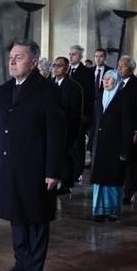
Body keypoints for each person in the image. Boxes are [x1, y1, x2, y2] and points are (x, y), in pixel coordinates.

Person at [0, 39, 65, 271]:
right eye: (11, 57)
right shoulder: (4, 90)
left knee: (36, 219)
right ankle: (20, 265)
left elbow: (56, 134)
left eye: (19, 57)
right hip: (10, 166)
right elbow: (3, 131)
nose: (12, 61)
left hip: (36, 167)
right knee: (16, 217)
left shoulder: (47, 90)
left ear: (33, 62)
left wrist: (53, 171)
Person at [90, 69, 133, 221]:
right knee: (99, 180)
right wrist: (91, 143)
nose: (105, 81)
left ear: (116, 81)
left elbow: (127, 127)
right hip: (100, 146)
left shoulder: (123, 98)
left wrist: (125, 150)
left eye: (109, 79)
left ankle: (112, 211)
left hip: (115, 147)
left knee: (112, 180)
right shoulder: (100, 96)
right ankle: (98, 210)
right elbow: (95, 122)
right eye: (104, 79)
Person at [51, 56, 83, 196]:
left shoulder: (74, 87)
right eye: (54, 65)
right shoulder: (49, 84)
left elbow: (75, 113)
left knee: (66, 156)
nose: (56, 68)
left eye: (60, 65)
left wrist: (73, 133)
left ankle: (66, 184)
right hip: (51, 127)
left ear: (67, 68)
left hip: (66, 128)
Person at [116, 55, 137, 205]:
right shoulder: (116, 83)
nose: (119, 68)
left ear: (131, 68)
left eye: (123, 66)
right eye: (118, 65)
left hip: (130, 130)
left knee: (130, 164)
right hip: (116, 130)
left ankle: (129, 192)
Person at [69, 45, 94, 178]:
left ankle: (78, 171)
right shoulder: (67, 70)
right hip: (68, 113)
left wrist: (85, 114)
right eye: (70, 54)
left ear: (80, 56)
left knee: (79, 143)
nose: (71, 56)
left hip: (80, 114)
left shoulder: (86, 72)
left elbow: (89, 95)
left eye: (73, 54)